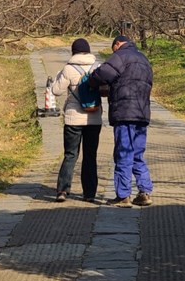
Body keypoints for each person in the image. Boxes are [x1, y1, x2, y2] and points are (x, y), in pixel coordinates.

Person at [88, 35, 154, 207]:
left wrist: (91, 81)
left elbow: (104, 74)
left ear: (117, 44)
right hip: (142, 113)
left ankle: (123, 195)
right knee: (138, 153)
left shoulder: (120, 56)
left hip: (124, 112)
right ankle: (145, 191)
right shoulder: (144, 59)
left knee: (124, 152)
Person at [51, 38, 102, 203]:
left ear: (73, 52)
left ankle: (62, 191)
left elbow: (56, 91)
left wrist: (61, 74)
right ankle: (89, 193)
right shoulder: (98, 67)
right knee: (90, 155)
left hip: (73, 119)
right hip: (94, 119)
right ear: (88, 51)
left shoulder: (68, 68)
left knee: (71, 155)